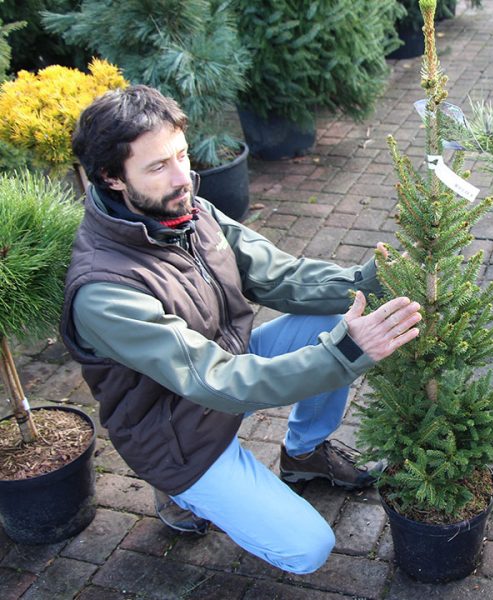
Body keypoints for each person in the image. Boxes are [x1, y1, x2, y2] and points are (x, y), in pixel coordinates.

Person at [60, 85, 421, 574]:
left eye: (182, 155)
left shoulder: (190, 213)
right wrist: (343, 355)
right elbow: (214, 380)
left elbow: (280, 276)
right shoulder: (104, 291)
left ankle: (304, 454)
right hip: (177, 432)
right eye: (158, 167)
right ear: (111, 177)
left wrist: (366, 281)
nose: (182, 177)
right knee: (308, 548)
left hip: (230, 366)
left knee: (337, 318)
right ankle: (179, 491)